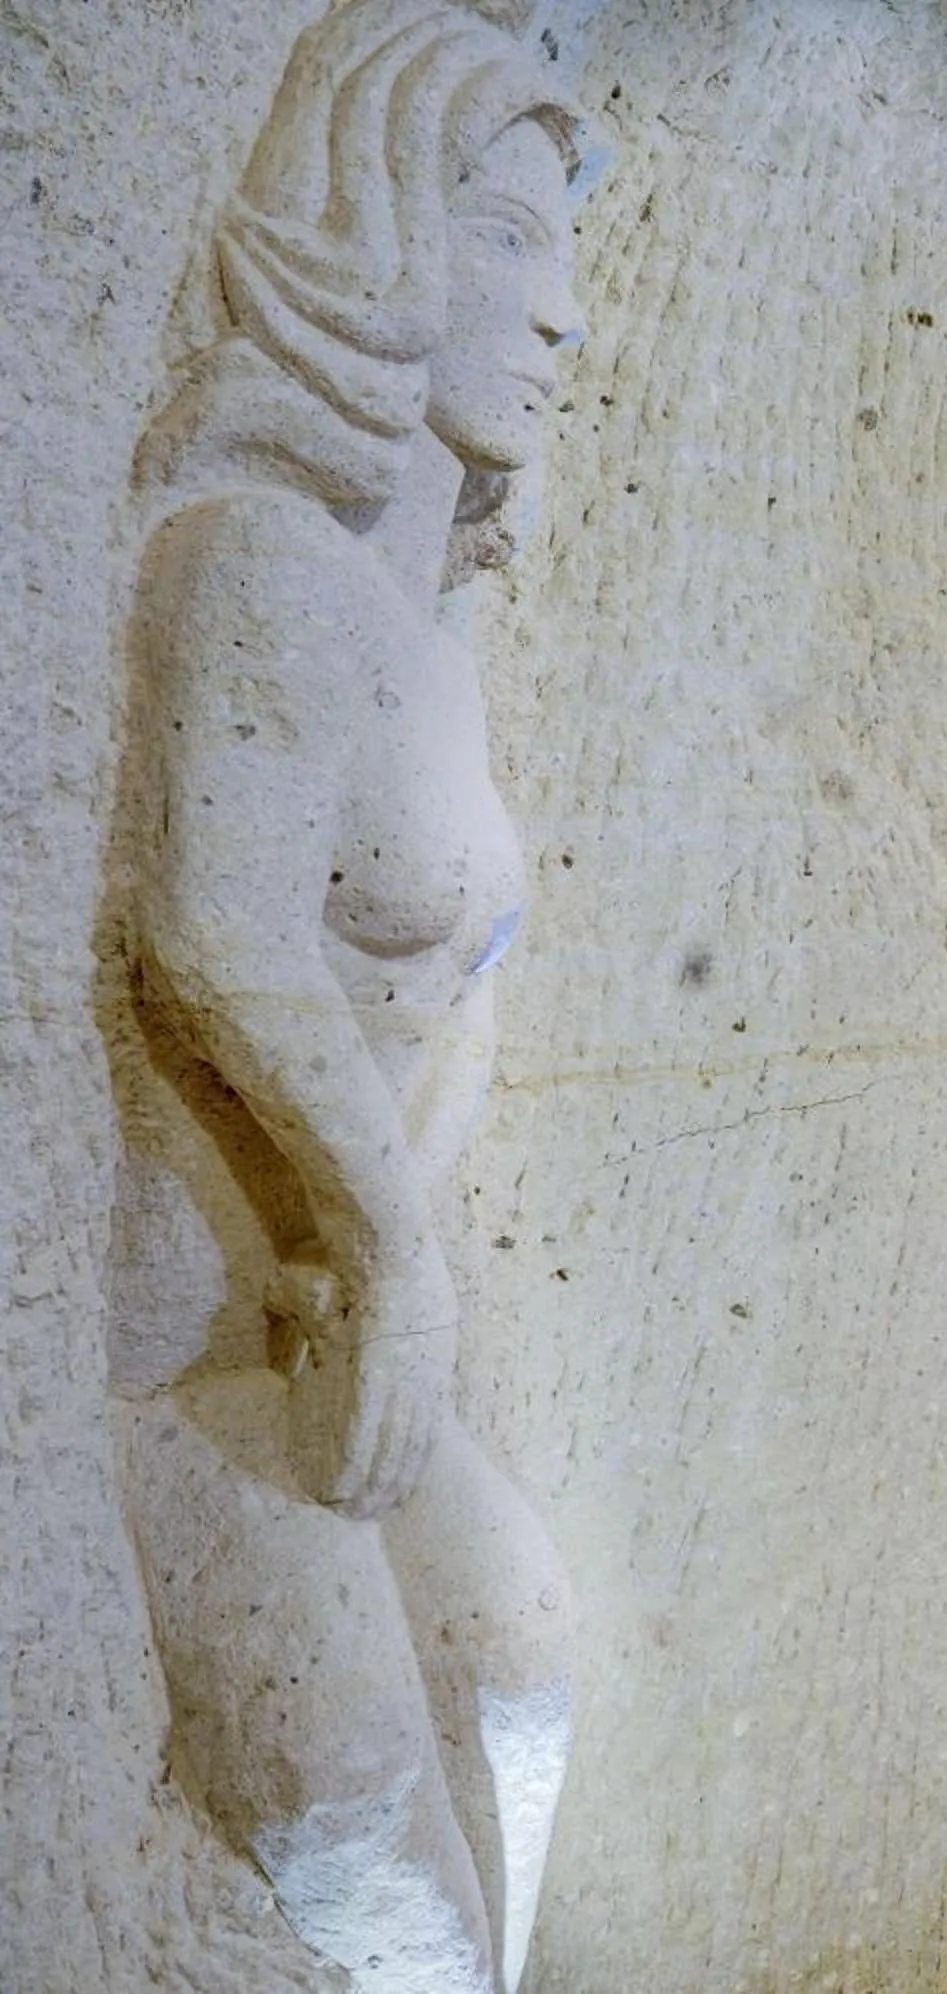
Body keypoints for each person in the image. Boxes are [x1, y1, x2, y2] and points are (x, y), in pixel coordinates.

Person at [108, 5, 592, 1987]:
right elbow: (207, 935)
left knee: (531, 1668)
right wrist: (389, 1249)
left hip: (345, 1315)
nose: (558, 314)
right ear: (376, 232)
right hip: (202, 1345)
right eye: (508, 241)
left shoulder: (431, 634)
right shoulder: (247, 570)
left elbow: (453, 970)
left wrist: (395, 1248)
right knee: (361, 1828)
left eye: (570, 256)